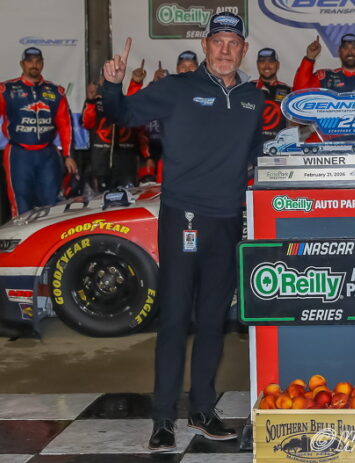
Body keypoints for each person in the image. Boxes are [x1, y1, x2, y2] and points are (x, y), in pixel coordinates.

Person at [101, 12, 264, 451]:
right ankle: (163, 419)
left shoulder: (253, 98)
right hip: (183, 219)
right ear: (205, 46)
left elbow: (254, 150)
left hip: (227, 220)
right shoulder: (176, 87)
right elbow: (121, 114)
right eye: (218, 41)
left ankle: (202, 409)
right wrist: (113, 85)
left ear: (243, 50)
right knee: (175, 320)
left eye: (233, 42)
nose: (225, 50)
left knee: (213, 321)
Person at [0, 47, 77, 215]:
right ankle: (22, 233)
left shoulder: (56, 92)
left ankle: (49, 232)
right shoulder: (6, 89)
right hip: (19, 154)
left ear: (42, 64)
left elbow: (65, 125)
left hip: (47, 154)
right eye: (30, 62)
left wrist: (68, 155)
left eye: (38, 61)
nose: (34, 65)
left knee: (52, 203)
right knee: (21, 202)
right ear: (22, 64)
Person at [129, 51, 201, 183]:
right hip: (155, 154)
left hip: (192, 158)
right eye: (183, 66)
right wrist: (137, 83)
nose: (187, 70)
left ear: (198, 69)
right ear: (177, 69)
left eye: (191, 66)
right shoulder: (163, 89)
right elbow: (132, 108)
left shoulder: (206, 92)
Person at [82, 78, 152, 191]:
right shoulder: (96, 102)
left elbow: (140, 131)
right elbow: (87, 123)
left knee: (129, 197)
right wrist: (90, 101)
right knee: (101, 198)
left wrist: (147, 157)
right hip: (101, 164)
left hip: (126, 165)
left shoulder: (126, 102)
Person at [251, 48, 291, 141]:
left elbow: (293, 124)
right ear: (257, 65)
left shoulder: (288, 91)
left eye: (271, 61)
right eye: (262, 61)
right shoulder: (248, 88)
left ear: (278, 65)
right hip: (252, 146)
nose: (266, 66)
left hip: (278, 146)